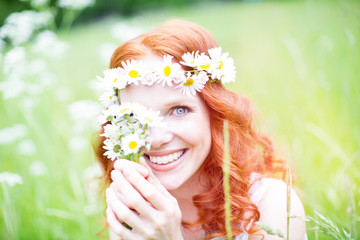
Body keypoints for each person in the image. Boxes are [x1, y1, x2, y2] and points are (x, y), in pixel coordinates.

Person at [94, 19, 306, 240]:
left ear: (215, 112)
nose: (155, 138)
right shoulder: (134, 211)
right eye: (135, 117)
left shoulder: (272, 204)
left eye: (179, 110)